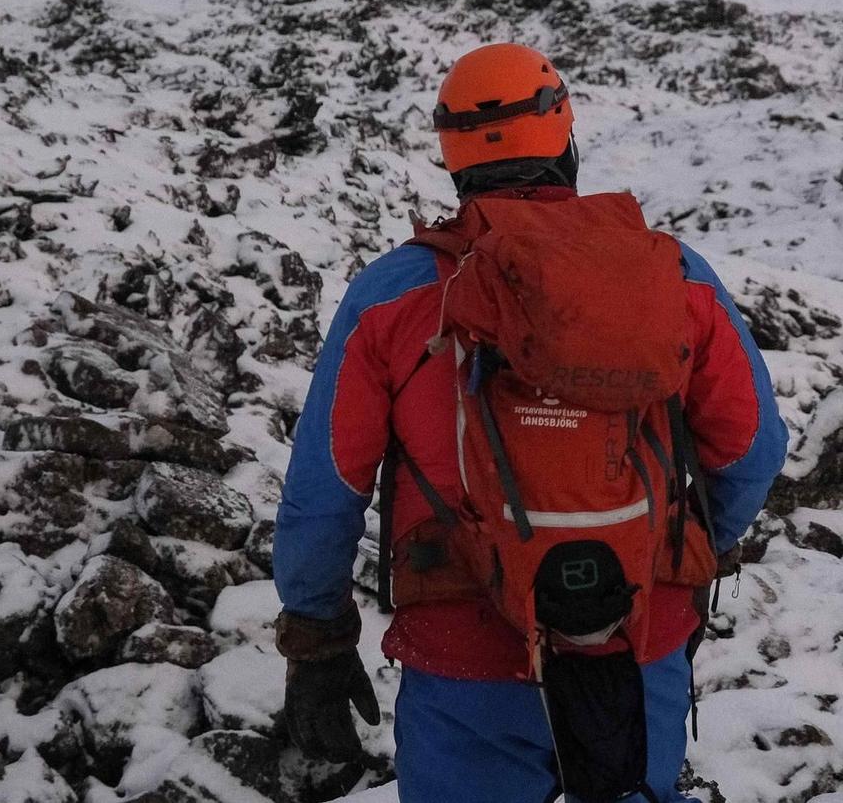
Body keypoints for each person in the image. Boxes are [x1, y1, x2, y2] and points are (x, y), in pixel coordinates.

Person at [271, 42, 788, 802]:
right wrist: (677, 552)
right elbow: (752, 447)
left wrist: (316, 633)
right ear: (563, 136)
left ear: (454, 155)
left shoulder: (390, 296)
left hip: (463, 650)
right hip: (635, 636)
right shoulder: (672, 275)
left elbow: (326, 489)